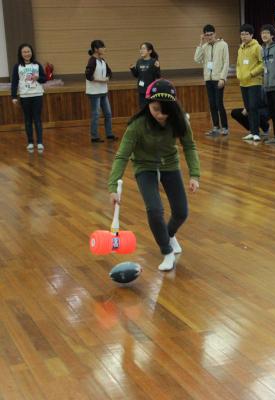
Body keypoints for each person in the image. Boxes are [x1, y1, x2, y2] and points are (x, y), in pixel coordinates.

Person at [107, 79, 200, 271]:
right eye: (156, 109)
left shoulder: (180, 120)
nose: (161, 115)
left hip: (170, 165)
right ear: (148, 104)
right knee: (155, 210)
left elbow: (189, 146)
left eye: (165, 111)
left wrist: (194, 175)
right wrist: (113, 186)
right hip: (145, 167)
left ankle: (169, 234)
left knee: (181, 212)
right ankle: (167, 251)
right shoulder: (137, 125)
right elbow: (122, 156)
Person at [194, 24, 230, 136]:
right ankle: (216, 127)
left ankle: (225, 127)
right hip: (208, 79)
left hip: (218, 79)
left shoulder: (223, 45)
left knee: (219, 103)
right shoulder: (204, 46)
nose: (209, 37)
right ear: (204, 36)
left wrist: (223, 78)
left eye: (211, 34)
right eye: (206, 35)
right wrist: (201, 43)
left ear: (215, 34)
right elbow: (197, 59)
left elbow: (226, 62)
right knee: (212, 104)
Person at [10, 43, 47, 152]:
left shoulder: (37, 64)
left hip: (37, 95)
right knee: (27, 120)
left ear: (31, 52)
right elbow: (14, 82)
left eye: (28, 51)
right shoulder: (17, 66)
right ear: (21, 54)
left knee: (37, 119)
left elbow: (44, 79)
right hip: (24, 96)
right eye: (24, 52)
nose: (27, 54)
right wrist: (14, 96)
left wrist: (38, 78)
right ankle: (30, 142)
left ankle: (39, 142)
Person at [85, 39, 117, 143]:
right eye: (102, 47)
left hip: (103, 91)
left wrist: (107, 78)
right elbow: (88, 76)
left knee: (108, 113)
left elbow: (110, 72)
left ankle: (109, 134)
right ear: (96, 49)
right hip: (94, 92)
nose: (104, 49)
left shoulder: (103, 60)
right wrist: (101, 80)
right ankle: (94, 136)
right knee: (96, 114)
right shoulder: (92, 61)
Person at [236, 24, 264, 142]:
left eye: (246, 34)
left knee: (253, 107)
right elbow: (238, 65)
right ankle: (252, 132)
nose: (244, 36)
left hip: (254, 82)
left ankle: (256, 132)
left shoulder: (257, 47)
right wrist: (238, 75)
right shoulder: (240, 49)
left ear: (252, 35)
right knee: (248, 108)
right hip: (243, 83)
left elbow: (263, 64)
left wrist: (252, 73)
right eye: (242, 34)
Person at [130, 42, 161, 108]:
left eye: (143, 49)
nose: (141, 51)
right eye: (140, 49)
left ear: (150, 51)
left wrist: (157, 67)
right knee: (142, 108)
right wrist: (132, 69)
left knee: (151, 108)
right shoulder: (139, 61)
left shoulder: (153, 61)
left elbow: (158, 76)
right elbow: (136, 75)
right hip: (141, 89)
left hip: (151, 90)